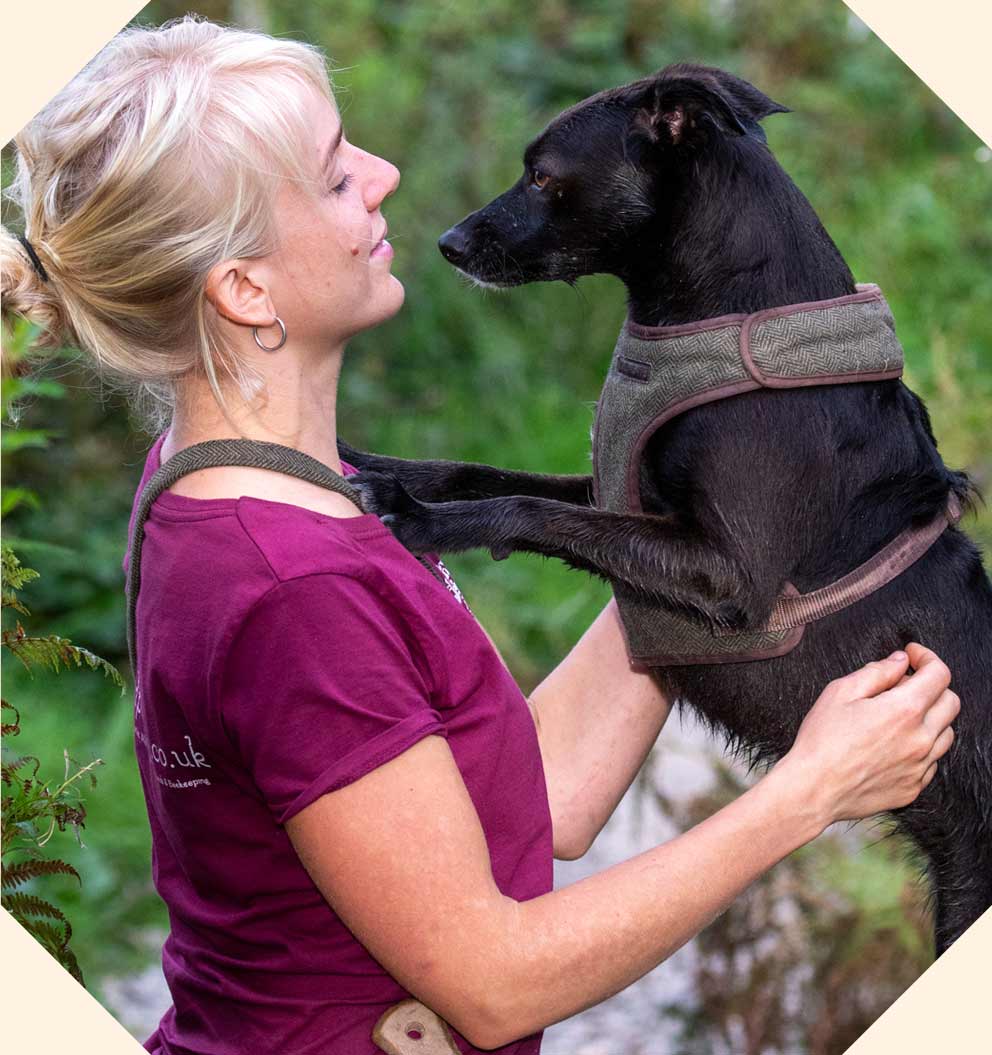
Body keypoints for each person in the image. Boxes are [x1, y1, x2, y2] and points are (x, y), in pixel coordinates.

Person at [0, 16, 960, 1055]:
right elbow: (495, 982)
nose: (384, 175)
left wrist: (754, 508)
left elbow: (526, 802)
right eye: (334, 177)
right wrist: (807, 791)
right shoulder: (293, 585)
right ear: (244, 288)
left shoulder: (248, 486)